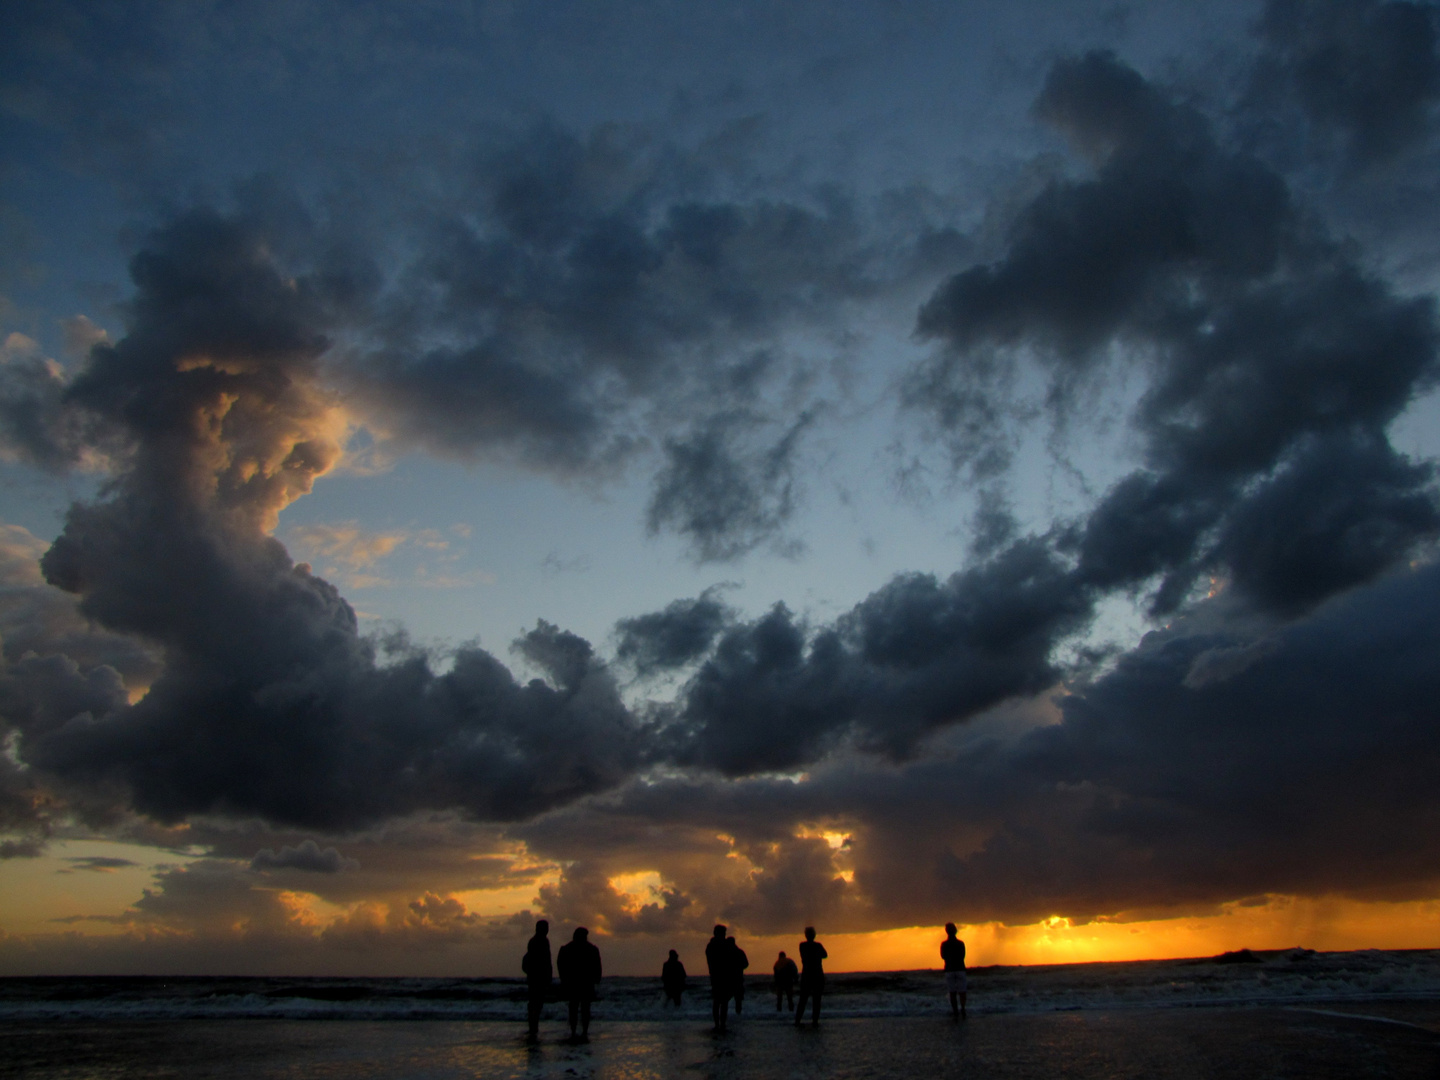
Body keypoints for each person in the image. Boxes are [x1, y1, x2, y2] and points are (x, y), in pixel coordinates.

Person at [556, 926, 602, 1041]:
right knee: (583, 1008)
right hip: (583, 983)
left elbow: (560, 964)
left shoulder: (567, 949)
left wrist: (563, 979)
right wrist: (597, 978)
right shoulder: (591, 949)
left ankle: (575, 1031)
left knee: (575, 1007)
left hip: (575, 983)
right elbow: (597, 965)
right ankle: (582, 1032)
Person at [521, 919, 552, 1040]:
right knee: (536, 1003)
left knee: (535, 1003)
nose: (547, 930)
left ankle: (533, 1027)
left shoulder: (535, 941)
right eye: (545, 927)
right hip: (538, 977)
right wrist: (547, 975)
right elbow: (544, 960)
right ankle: (533, 1028)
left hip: (534, 977)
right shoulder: (540, 941)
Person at [704, 924, 735, 1032]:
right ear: (719, 934)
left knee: (718, 1001)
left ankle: (718, 1024)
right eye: (724, 933)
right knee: (722, 1002)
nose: (725, 935)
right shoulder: (721, 945)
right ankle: (721, 1024)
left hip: (716, 976)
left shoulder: (710, 946)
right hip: (722, 976)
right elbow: (730, 959)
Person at [795, 926, 827, 1026]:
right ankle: (815, 1020)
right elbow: (825, 955)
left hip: (807, 975)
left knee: (803, 999)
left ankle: (798, 1020)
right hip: (817, 974)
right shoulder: (817, 946)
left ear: (806, 935)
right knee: (816, 1000)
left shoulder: (802, 946)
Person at [941, 922, 967, 1019]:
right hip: (960, 968)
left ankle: (955, 1010)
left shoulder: (944, 944)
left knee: (952, 992)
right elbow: (963, 956)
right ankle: (963, 1008)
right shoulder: (960, 943)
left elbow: (943, 956)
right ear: (955, 931)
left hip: (949, 969)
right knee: (962, 991)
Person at [727, 935, 749, 1014]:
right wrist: (739, 967)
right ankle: (738, 1015)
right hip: (738, 979)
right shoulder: (740, 952)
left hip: (728, 979)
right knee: (738, 1000)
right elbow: (746, 964)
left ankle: (724, 1018)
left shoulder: (726, 953)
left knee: (725, 1000)